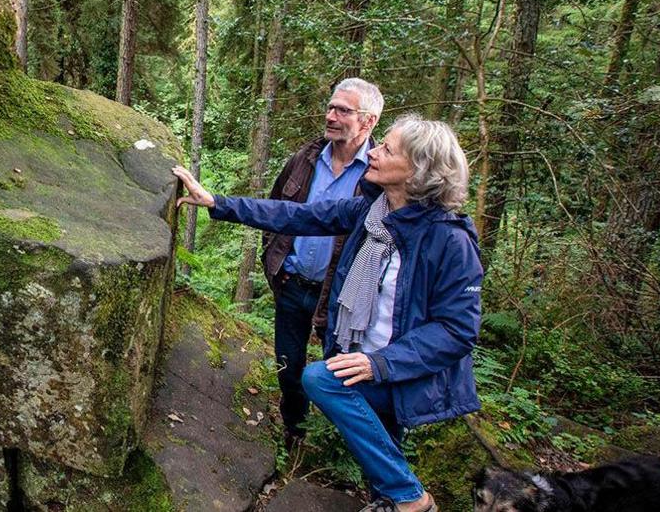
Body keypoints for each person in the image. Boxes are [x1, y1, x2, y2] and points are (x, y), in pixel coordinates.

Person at [173, 115, 482, 512]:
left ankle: (411, 497)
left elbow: (457, 330)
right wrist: (219, 203)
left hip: (397, 370)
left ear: (419, 170)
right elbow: (299, 216)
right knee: (381, 463)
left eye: (387, 149)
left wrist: (379, 364)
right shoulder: (373, 212)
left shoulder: (450, 241)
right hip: (361, 355)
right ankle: (397, 499)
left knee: (321, 379)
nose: (373, 151)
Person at [261, 78, 383, 449]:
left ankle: (339, 444)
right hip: (292, 283)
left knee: (340, 375)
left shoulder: (378, 174)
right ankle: (295, 430)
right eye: (330, 107)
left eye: (342, 110)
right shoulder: (304, 159)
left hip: (342, 298)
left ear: (368, 121)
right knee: (289, 365)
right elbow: (276, 209)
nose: (330, 116)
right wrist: (275, 261)